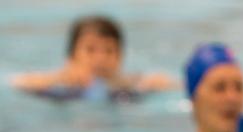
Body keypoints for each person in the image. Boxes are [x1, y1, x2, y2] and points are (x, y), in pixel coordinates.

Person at [11, 16, 175, 99]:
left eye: (109, 51)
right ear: (72, 55)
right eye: (90, 50)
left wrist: (126, 82)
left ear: (120, 57)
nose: (100, 58)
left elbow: (169, 84)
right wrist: (60, 78)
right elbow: (17, 82)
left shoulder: (128, 85)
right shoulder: (61, 84)